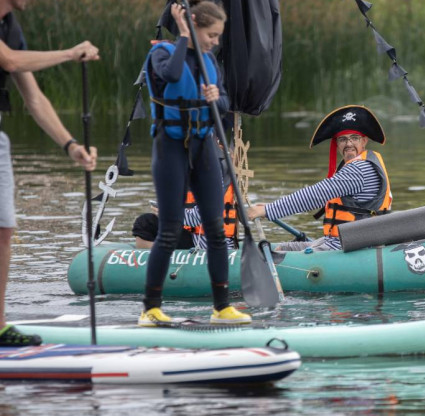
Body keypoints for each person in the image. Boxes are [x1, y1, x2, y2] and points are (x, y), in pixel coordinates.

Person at [140, 1, 250, 326]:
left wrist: (219, 97)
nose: (216, 41)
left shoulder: (211, 62)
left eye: (219, 36)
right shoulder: (161, 53)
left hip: (202, 148)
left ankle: (221, 307)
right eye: (212, 35)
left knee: (215, 228)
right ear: (195, 27)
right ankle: (150, 309)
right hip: (170, 146)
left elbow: (225, 114)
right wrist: (185, 37)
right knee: (170, 230)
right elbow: (172, 74)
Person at [0, 0, 99, 346]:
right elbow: (9, 60)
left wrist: (71, 146)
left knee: (4, 229)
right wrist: (71, 53)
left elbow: (34, 97)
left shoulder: (10, 26)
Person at [247, 105, 392, 251]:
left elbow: (315, 195)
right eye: (342, 139)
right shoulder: (359, 163)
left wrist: (269, 210)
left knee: (278, 253)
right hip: (340, 242)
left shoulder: (359, 169)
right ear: (337, 144)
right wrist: (269, 207)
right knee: (283, 248)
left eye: (354, 138)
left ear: (364, 141)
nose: (348, 144)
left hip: (351, 247)